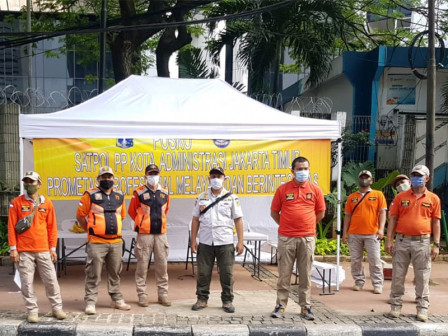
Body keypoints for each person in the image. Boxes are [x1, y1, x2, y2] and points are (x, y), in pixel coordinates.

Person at [270, 156, 325, 321]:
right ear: (292, 171)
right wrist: (287, 225)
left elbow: (321, 212)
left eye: (305, 168)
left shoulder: (315, 190)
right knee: (284, 274)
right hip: (286, 238)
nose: (303, 172)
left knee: (305, 274)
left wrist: (307, 226)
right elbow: (274, 212)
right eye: (299, 169)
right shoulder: (283, 189)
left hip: (307, 238)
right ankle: (280, 305)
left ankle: (305, 306)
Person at [7, 171, 67, 323]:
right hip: (24, 250)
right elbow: (11, 227)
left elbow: (52, 228)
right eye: (26, 181)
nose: (29, 184)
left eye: (32, 182)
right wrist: (13, 248)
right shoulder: (16, 203)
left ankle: (57, 308)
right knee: (26, 282)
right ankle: (32, 310)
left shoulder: (46, 203)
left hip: (43, 249)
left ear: (39, 184)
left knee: (51, 280)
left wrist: (52, 248)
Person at [386, 164, 441, 322]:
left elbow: (436, 222)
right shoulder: (400, 197)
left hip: (422, 242)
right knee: (398, 275)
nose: (416, 178)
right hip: (402, 241)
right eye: (414, 175)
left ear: (427, 178)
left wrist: (436, 244)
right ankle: (395, 306)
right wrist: (389, 240)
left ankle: (422, 307)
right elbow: (393, 219)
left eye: (420, 176)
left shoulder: (433, 198)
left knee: (422, 276)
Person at [76, 166, 131, 315]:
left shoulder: (120, 196)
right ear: (98, 179)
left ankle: (116, 299)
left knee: (115, 272)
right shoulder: (90, 195)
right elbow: (80, 215)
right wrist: (90, 229)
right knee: (93, 273)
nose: (107, 180)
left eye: (109, 177)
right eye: (104, 177)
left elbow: (122, 216)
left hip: (116, 242)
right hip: (96, 241)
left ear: (113, 179)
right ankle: (90, 302)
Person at [190, 166, 244, 313]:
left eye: (219, 177)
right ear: (209, 178)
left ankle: (227, 300)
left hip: (225, 242)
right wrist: (193, 240)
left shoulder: (232, 198)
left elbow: (238, 220)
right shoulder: (201, 197)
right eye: (213, 176)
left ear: (224, 179)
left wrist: (240, 241)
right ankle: (202, 299)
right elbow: (195, 220)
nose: (216, 179)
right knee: (203, 273)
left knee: (227, 273)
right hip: (206, 241)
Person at [128, 164, 171, 307]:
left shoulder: (165, 192)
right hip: (144, 234)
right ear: (145, 176)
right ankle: (142, 295)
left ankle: (163, 295)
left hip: (161, 234)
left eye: (155, 173)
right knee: (142, 266)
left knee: (162, 266)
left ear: (159, 174)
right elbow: (132, 211)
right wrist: (142, 223)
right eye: (150, 174)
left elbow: (166, 210)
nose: (153, 176)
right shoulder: (138, 192)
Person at [342, 170, 387, 294]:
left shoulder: (378, 195)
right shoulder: (352, 197)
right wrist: (345, 233)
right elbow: (347, 216)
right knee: (356, 260)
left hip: (372, 233)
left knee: (375, 259)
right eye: (362, 177)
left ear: (371, 180)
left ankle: (377, 284)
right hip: (354, 233)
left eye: (367, 177)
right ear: (358, 180)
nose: (364, 179)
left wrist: (381, 229)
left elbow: (383, 213)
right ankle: (358, 281)